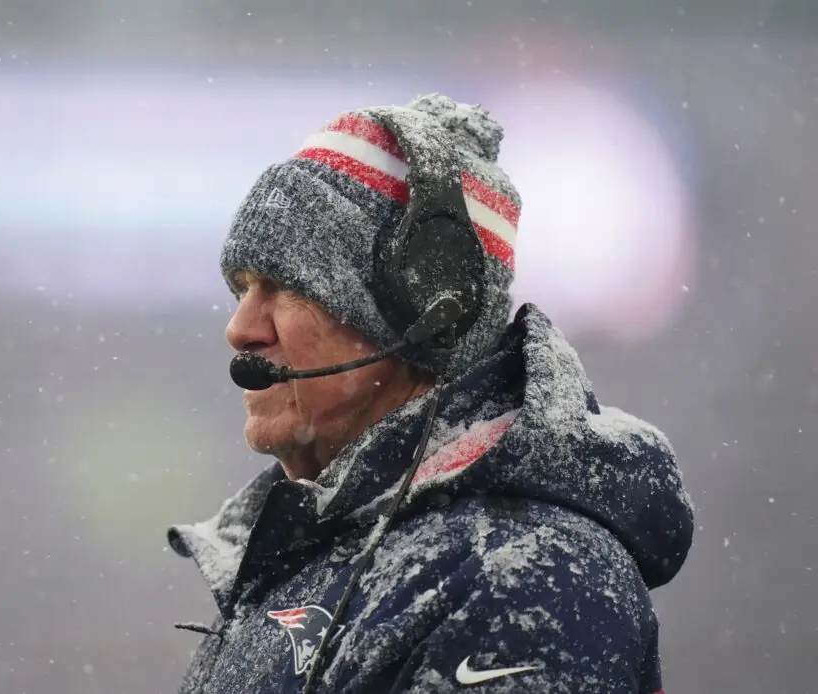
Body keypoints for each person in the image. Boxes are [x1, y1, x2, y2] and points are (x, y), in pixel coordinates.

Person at [167, 93, 694, 693]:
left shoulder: (519, 579)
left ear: (427, 312)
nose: (240, 328)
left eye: (288, 289)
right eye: (242, 287)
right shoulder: (310, 561)